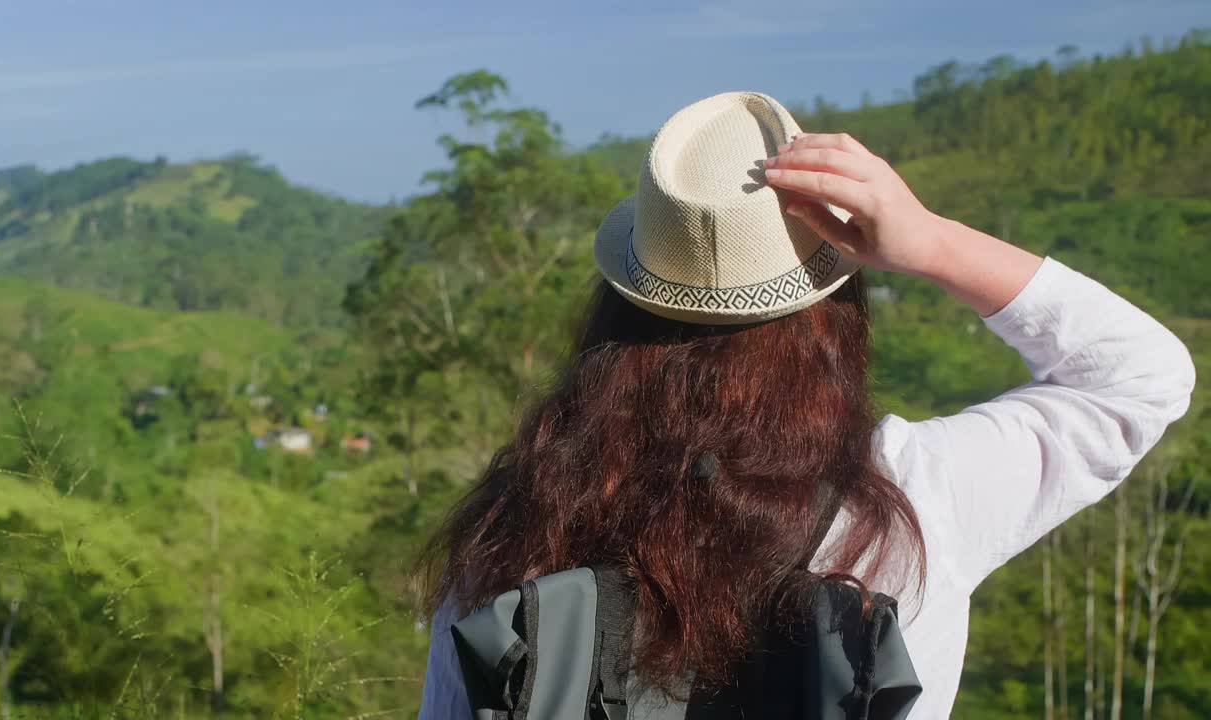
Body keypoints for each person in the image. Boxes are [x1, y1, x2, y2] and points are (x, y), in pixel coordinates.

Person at [415, 92, 1196, 718]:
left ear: (620, 309)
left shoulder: (522, 522)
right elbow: (1142, 376)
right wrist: (929, 241)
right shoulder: (915, 499)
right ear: (837, 314)